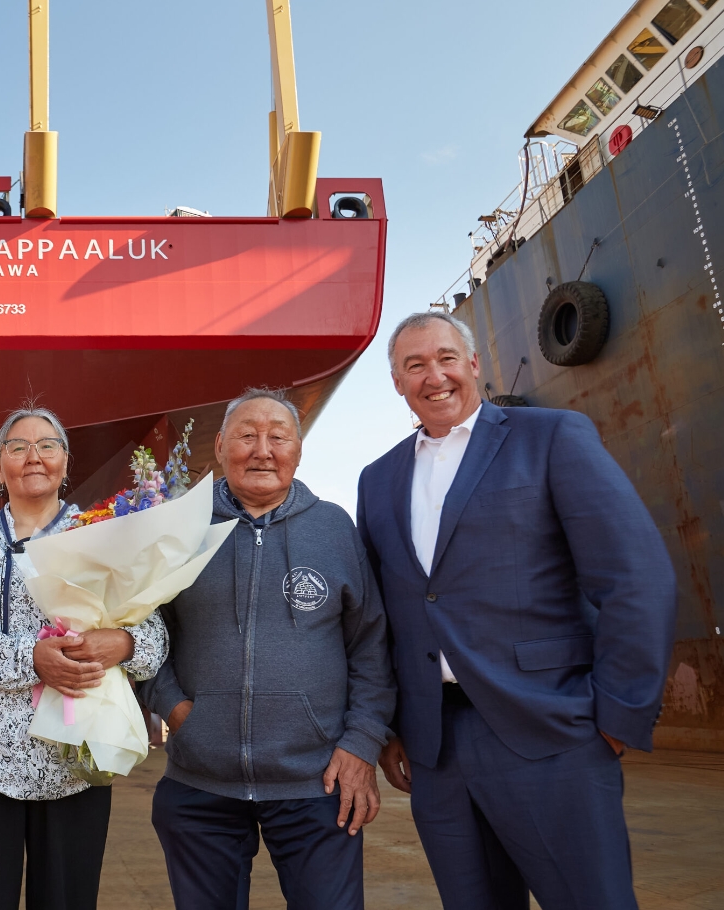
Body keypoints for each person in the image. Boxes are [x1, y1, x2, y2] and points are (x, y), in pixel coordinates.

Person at [356, 312, 677, 910]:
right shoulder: (376, 481)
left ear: (474, 364)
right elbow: (383, 617)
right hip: (436, 749)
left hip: (553, 732)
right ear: (397, 382)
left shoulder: (553, 437)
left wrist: (617, 714)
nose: (436, 376)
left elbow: (635, 577)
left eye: (447, 358)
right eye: (415, 365)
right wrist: (391, 727)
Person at [139, 387, 394, 910]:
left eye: (278, 437)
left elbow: (371, 647)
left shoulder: (334, 529)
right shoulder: (179, 529)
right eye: (247, 436)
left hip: (317, 785)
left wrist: (362, 743)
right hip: (200, 784)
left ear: (298, 450)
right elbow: (142, 631)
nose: (263, 450)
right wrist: (174, 707)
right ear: (218, 446)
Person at [0, 406, 168, 910]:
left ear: (65, 461)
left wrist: (122, 644)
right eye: (18, 446)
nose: (34, 456)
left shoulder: (102, 532)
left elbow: (155, 638)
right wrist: (31, 659)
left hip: (76, 758)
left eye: (47, 445)